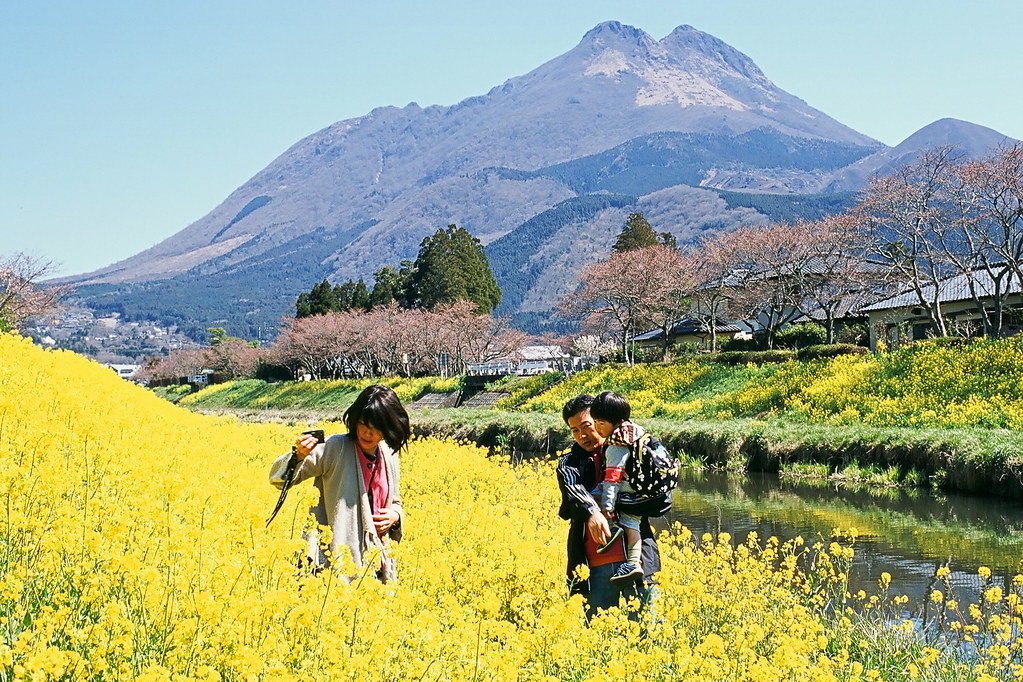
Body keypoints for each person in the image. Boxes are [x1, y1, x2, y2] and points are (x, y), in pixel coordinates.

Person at [269, 384, 410, 582]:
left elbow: (395, 502)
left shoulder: (388, 455)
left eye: (376, 428)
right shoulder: (336, 447)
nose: (367, 433)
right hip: (336, 564)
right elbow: (277, 479)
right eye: (363, 423)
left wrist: (395, 516)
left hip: (376, 564)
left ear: (388, 428)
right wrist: (298, 455)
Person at [556, 394, 661, 620]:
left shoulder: (634, 452)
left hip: (638, 563)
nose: (582, 436)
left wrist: (623, 502)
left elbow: (663, 500)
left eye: (587, 426)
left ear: (600, 420)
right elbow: (572, 492)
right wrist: (592, 512)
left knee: (649, 636)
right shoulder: (569, 463)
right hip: (594, 568)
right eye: (574, 431)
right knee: (599, 638)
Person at [590, 390, 647, 584]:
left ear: (617, 421)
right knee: (593, 494)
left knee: (631, 524)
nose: (597, 429)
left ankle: (633, 562)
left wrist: (607, 508)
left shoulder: (617, 444)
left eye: (602, 424)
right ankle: (613, 531)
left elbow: (613, 479)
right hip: (639, 487)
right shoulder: (634, 431)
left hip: (630, 492)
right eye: (595, 422)